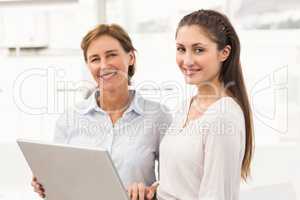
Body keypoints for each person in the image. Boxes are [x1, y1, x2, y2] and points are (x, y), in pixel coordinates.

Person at [31, 24, 172, 200]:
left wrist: (152, 189)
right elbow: (60, 177)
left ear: (131, 57)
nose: (104, 65)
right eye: (95, 59)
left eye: (111, 55)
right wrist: (46, 183)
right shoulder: (70, 118)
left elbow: (174, 181)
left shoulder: (158, 116)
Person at [157, 9, 254, 200]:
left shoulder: (223, 117)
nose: (187, 60)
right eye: (181, 49)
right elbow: (185, 179)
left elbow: (216, 195)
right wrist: (155, 190)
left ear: (224, 53)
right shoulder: (187, 105)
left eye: (199, 50)